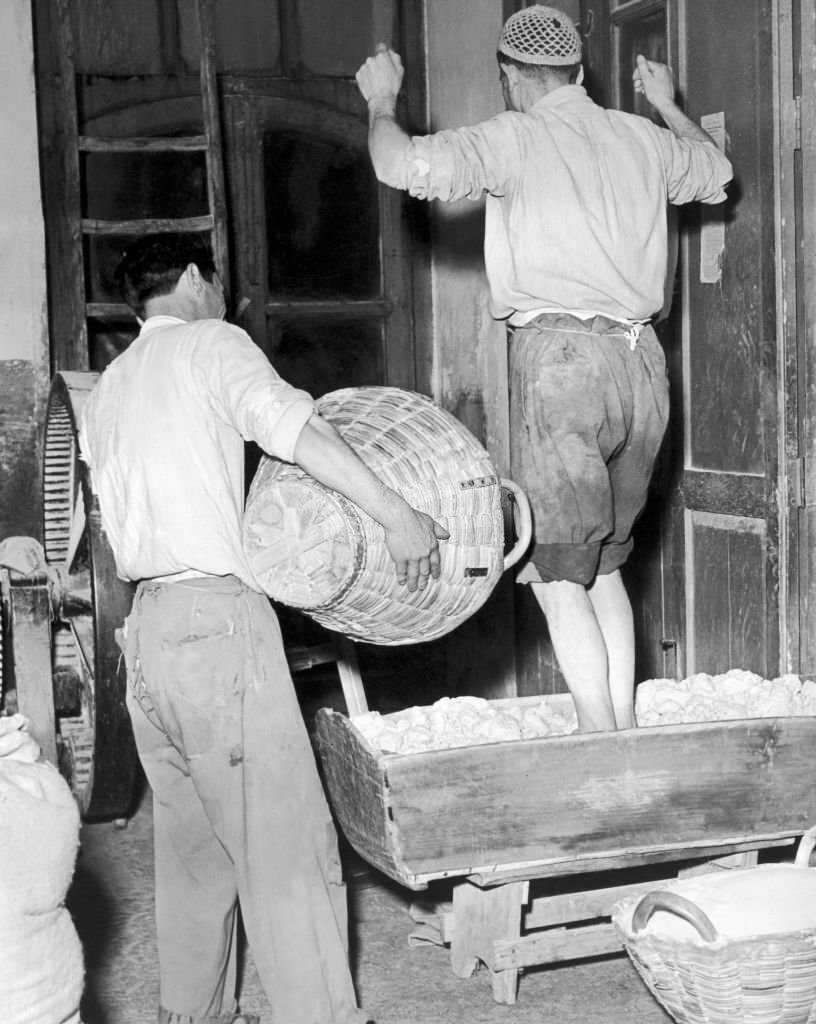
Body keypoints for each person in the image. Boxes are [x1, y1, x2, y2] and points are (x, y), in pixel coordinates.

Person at [79, 232, 448, 1024]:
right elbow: (297, 431)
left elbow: (114, 525)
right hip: (217, 628)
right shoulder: (214, 343)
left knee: (192, 850)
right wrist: (396, 515)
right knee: (285, 842)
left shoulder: (110, 385)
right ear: (188, 278)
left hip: (146, 634)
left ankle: (194, 1013)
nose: (223, 296)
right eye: (214, 282)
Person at [355, 5, 733, 733]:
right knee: (604, 566)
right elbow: (715, 172)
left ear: (510, 78)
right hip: (643, 368)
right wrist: (666, 104)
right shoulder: (641, 136)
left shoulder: (515, 136)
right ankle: (620, 735)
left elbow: (397, 164)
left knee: (556, 573)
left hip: (562, 366)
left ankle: (599, 742)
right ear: (582, 73)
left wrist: (379, 101)